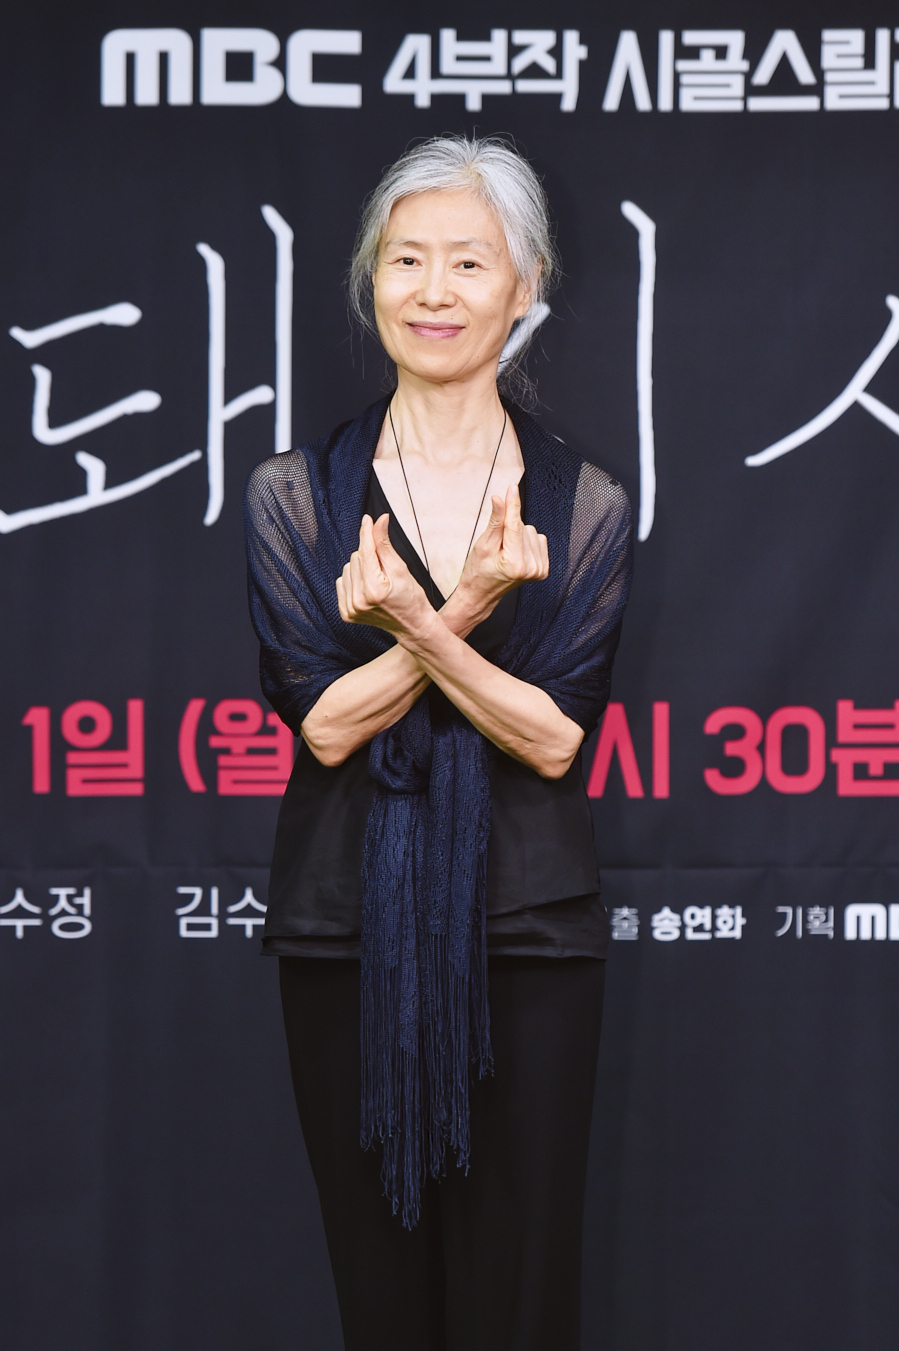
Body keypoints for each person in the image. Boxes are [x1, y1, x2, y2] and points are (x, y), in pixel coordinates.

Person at [244, 135, 633, 1351]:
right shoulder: (295, 493)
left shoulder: (582, 502)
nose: (433, 290)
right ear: (371, 278)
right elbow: (323, 725)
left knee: (521, 1290)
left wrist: (416, 624)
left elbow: (552, 740)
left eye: (468, 262)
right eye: (405, 259)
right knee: (377, 1289)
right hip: (345, 924)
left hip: (529, 929)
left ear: (524, 288)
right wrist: (459, 614)